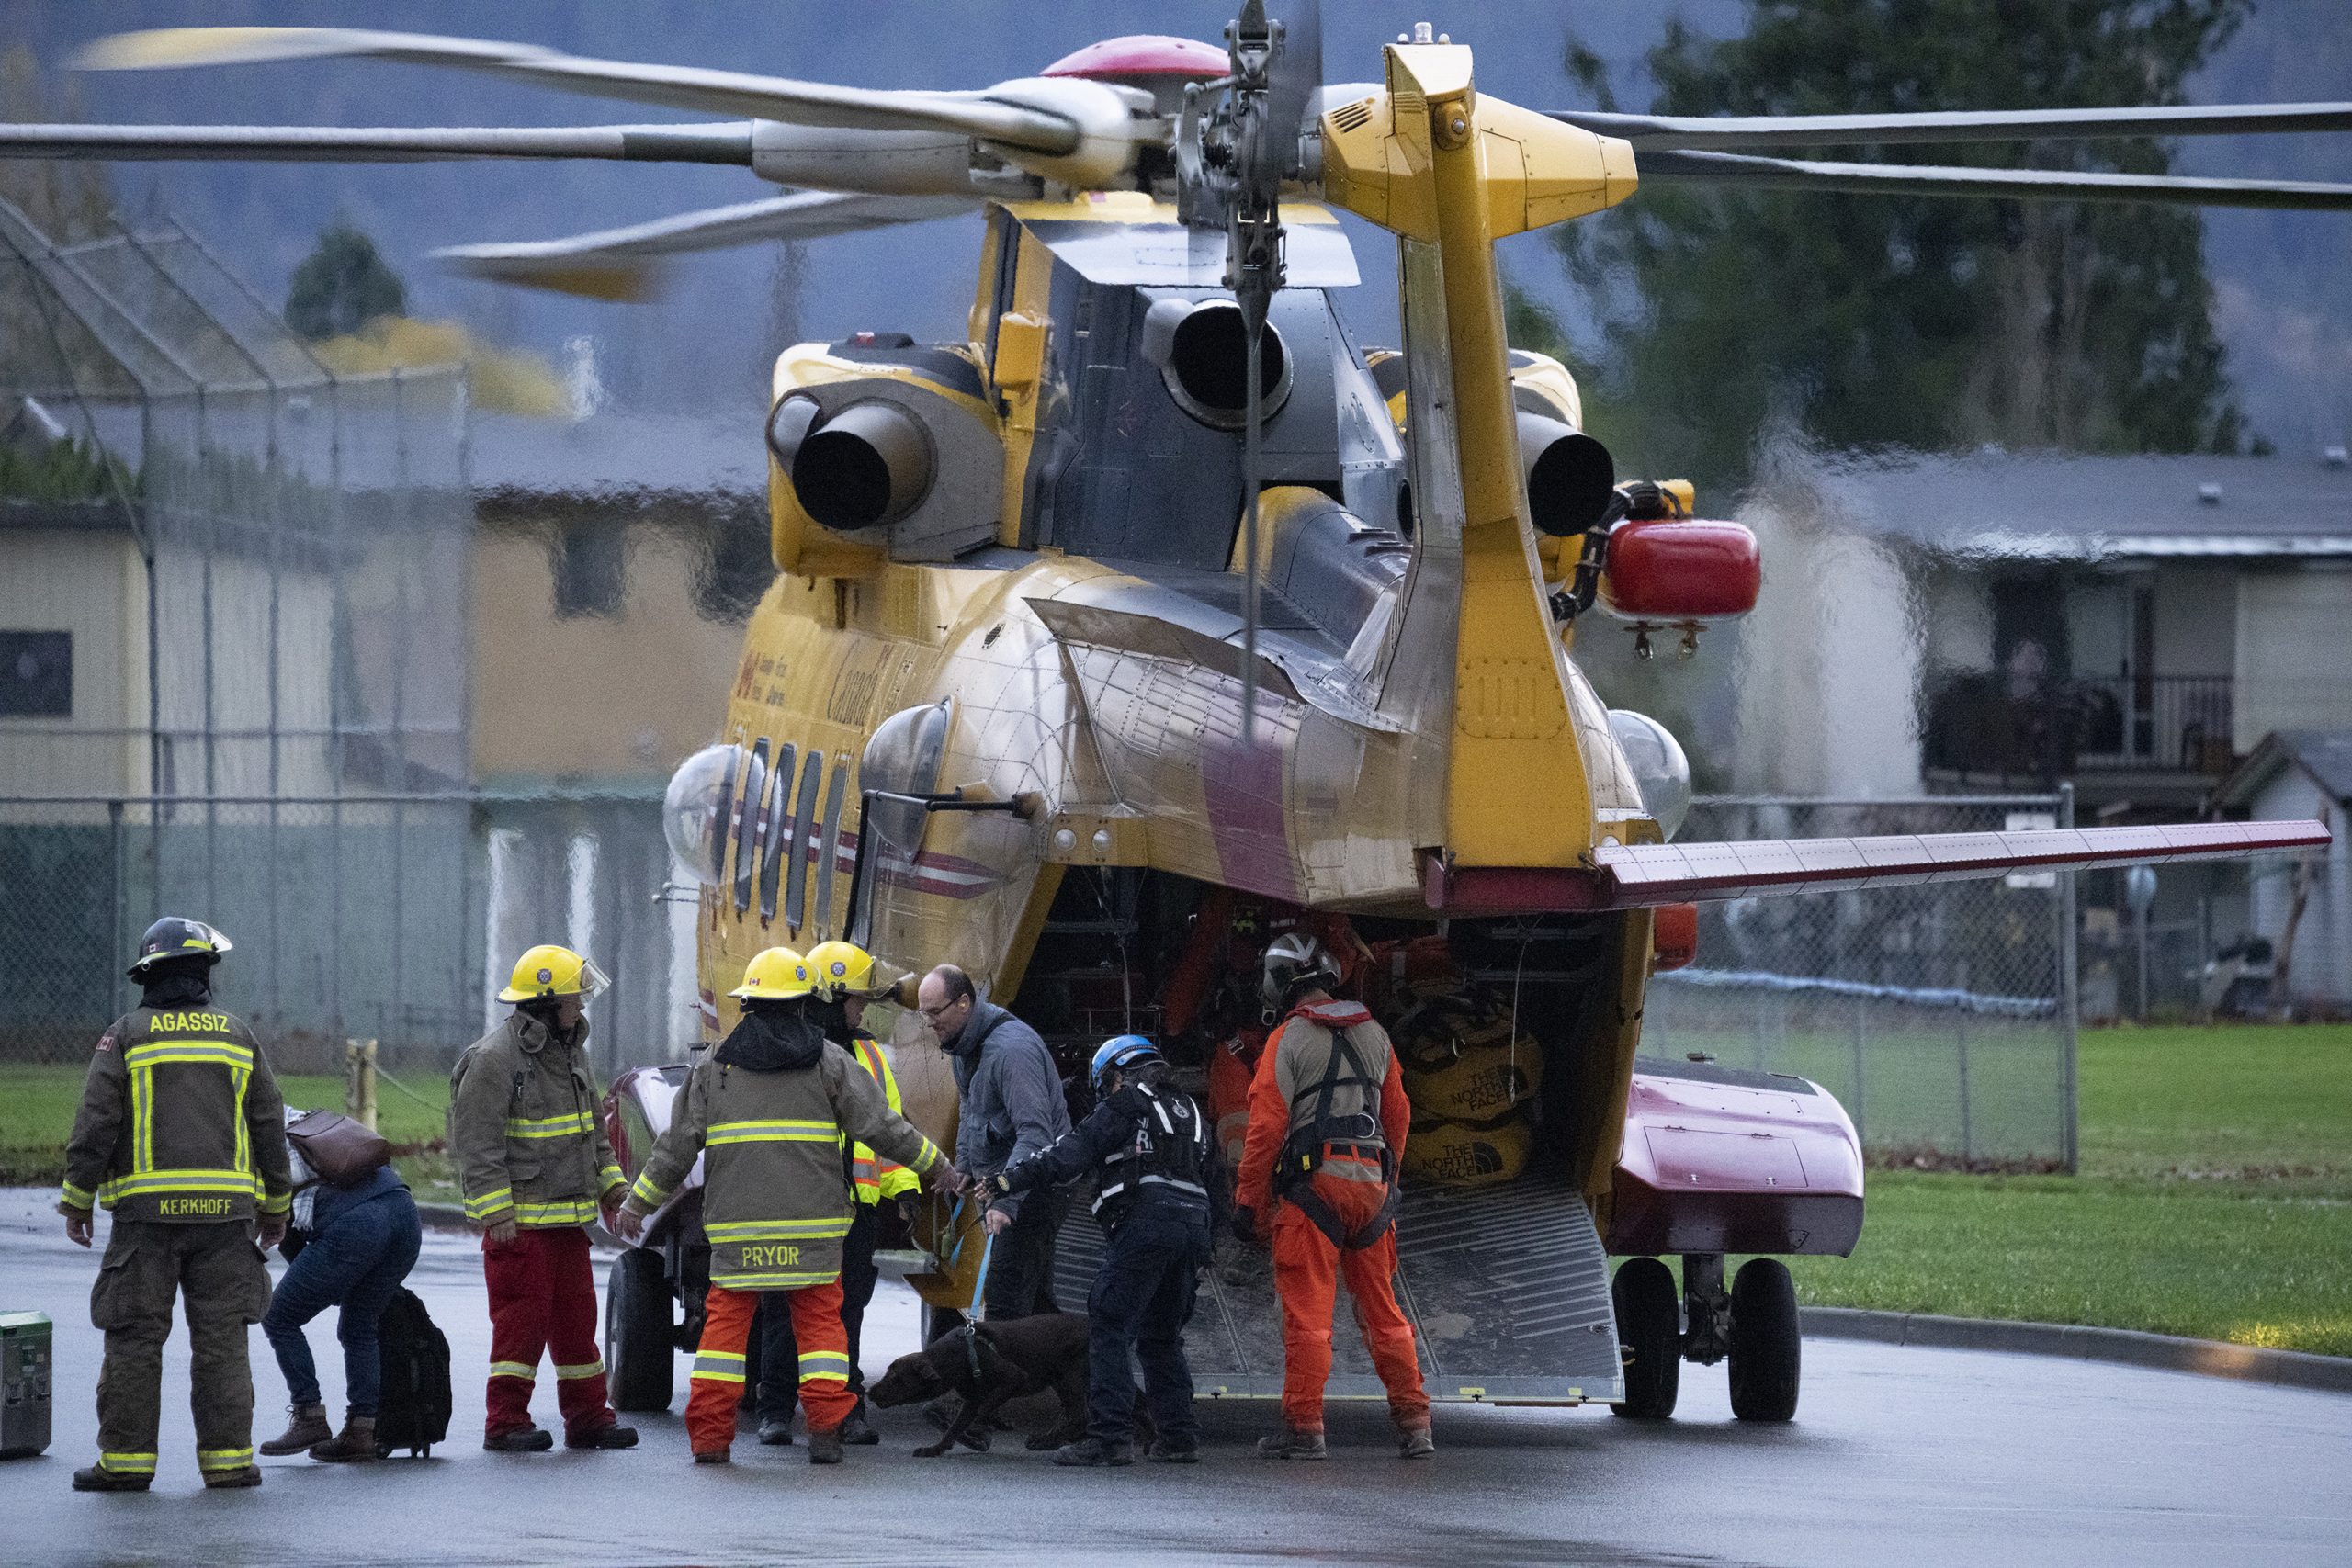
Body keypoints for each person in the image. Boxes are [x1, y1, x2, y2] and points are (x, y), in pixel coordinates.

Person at [615, 947, 959, 1466]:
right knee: (822, 1338)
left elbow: (675, 1149)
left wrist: (636, 1205)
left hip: (739, 1237)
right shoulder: (831, 1062)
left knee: (721, 1345)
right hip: (813, 1235)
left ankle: (710, 1441)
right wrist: (939, 1166)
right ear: (804, 1003)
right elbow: (885, 1128)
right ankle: (826, 1433)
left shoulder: (713, 1068)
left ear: (748, 1003)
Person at [59, 917, 293, 1492]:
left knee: (134, 1339)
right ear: (204, 972)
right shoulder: (237, 1036)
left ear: (148, 974)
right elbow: (268, 1121)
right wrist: (276, 1206)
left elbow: (96, 1123)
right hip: (227, 1221)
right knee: (223, 1342)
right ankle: (228, 1464)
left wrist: (77, 1199)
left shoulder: (126, 1036)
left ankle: (126, 1464)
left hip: (145, 1222)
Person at [1234, 932, 1432, 1460]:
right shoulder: (1376, 1035)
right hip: (1372, 1191)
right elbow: (1398, 1116)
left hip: (1313, 1192)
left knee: (1308, 1319)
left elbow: (1265, 1131)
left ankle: (1305, 1429)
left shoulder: (1285, 1041)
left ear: (1278, 984)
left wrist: (1249, 1203)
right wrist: (1387, 1181)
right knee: (1385, 1314)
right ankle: (1416, 1424)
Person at [993, 1034, 1218, 1467]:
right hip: (1193, 1229)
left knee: (1109, 1325)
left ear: (1116, 1075)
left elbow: (1069, 1154)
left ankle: (1109, 1438)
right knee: (1161, 1335)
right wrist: (1207, 1244)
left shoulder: (1126, 1103)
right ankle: (1178, 1437)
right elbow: (1217, 1185)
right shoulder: (1193, 1113)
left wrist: (1007, 1181)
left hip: (1146, 1226)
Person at [448, 943, 636, 1453]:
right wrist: (497, 1212)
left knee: (578, 1326)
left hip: (569, 1223)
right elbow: (478, 1144)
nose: (581, 1005)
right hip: (521, 1228)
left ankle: (589, 1419)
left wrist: (615, 1189)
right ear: (545, 1003)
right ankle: (505, 1422)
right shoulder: (493, 1060)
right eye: (574, 998)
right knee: (520, 1330)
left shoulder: (571, 1052)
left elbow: (594, 1136)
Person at [752, 939, 914, 1448]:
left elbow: (890, 1125)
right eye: (856, 999)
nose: (862, 1009)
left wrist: (905, 1188)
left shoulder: (869, 1054)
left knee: (847, 1313)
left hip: (855, 1209)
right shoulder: (791, 1052)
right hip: (797, 1204)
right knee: (783, 1310)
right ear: (829, 997)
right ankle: (776, 1410)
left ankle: (846, 1410)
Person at [257, 1110, 424, 1463]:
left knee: (278, 1317)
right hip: (405, 1214)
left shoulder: (255, 1147)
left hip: (357, 1226)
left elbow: (286, 1232)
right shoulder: (304, 1121)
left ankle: (309, 1415)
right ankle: (362, 1430)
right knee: (359, 1325)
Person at [917, 964, 1071, 1319]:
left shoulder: (1011, 1052)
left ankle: (1008, 1354)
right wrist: (965, 1165)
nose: (930, 1023)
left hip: (1036, 1186)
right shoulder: (962, 1044)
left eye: (935, 1012)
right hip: (1008, 1180)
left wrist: (1006, 1200)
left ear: (963, 1003)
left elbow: (1036, 1134)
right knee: (1032, 1294)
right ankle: (1047, 1351)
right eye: (924, 1014)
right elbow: (971, 1108)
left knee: (1005, 1294)